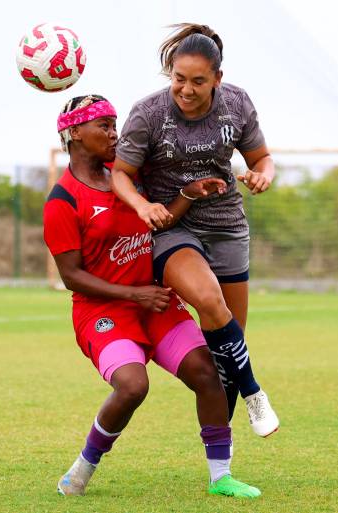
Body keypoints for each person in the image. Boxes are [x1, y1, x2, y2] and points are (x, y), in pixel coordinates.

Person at [44, 94, 260, 498]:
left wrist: (189, 194)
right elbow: (71, 277)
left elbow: (162, 217)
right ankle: (83, 466)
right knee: (132, 386)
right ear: (73, 133)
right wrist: (134, 295)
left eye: (114, 123)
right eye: (103, 126)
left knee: (207, 372)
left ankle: (221, 477)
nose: (115, 133)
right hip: (103, 312)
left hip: (156, 303)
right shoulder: (63, 200)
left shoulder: (131, 177)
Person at [111, 23, 280, 437]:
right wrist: (142, 204)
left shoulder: (236, 104)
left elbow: (263, 159)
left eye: (198, 81)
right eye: (178, 79)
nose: (185, 90)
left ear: (217, 80)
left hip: (227, 226)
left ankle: (221, 466)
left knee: (228, 348)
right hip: (173, 225)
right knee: (207, 298)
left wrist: (263, 175)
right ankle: (255, 392)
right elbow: (120, 174)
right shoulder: (148, 113)